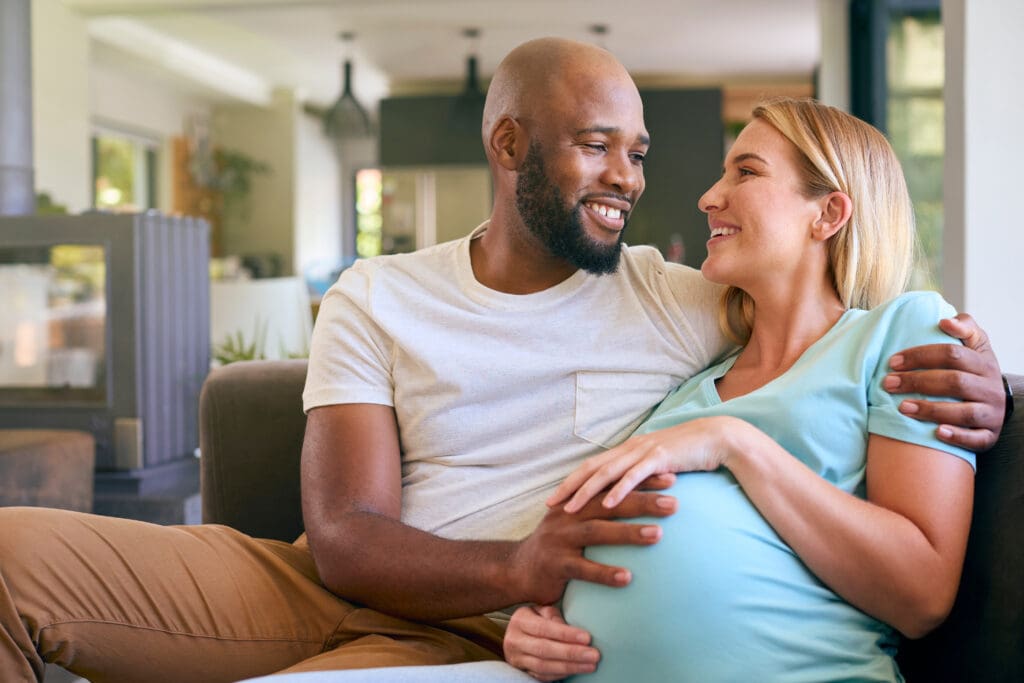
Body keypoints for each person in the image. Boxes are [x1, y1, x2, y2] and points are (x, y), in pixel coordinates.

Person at [0, 40, 1006, 683]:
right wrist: (522, 566)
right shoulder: (377, 291)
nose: (632, 178)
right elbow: (346, 533)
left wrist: (972, 375)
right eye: (596, 145)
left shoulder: (683, 297)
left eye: (640, 151)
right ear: (512, 143)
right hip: (332, 583)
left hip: (483, 634)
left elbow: (834, 331)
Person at [503, 97, 983, 682]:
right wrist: (535, 623)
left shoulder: (903, 334)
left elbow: (922, 593)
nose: (709, 197)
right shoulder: (689, 387)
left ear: (828, 213)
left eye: (747, 172)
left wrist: (736, 442)